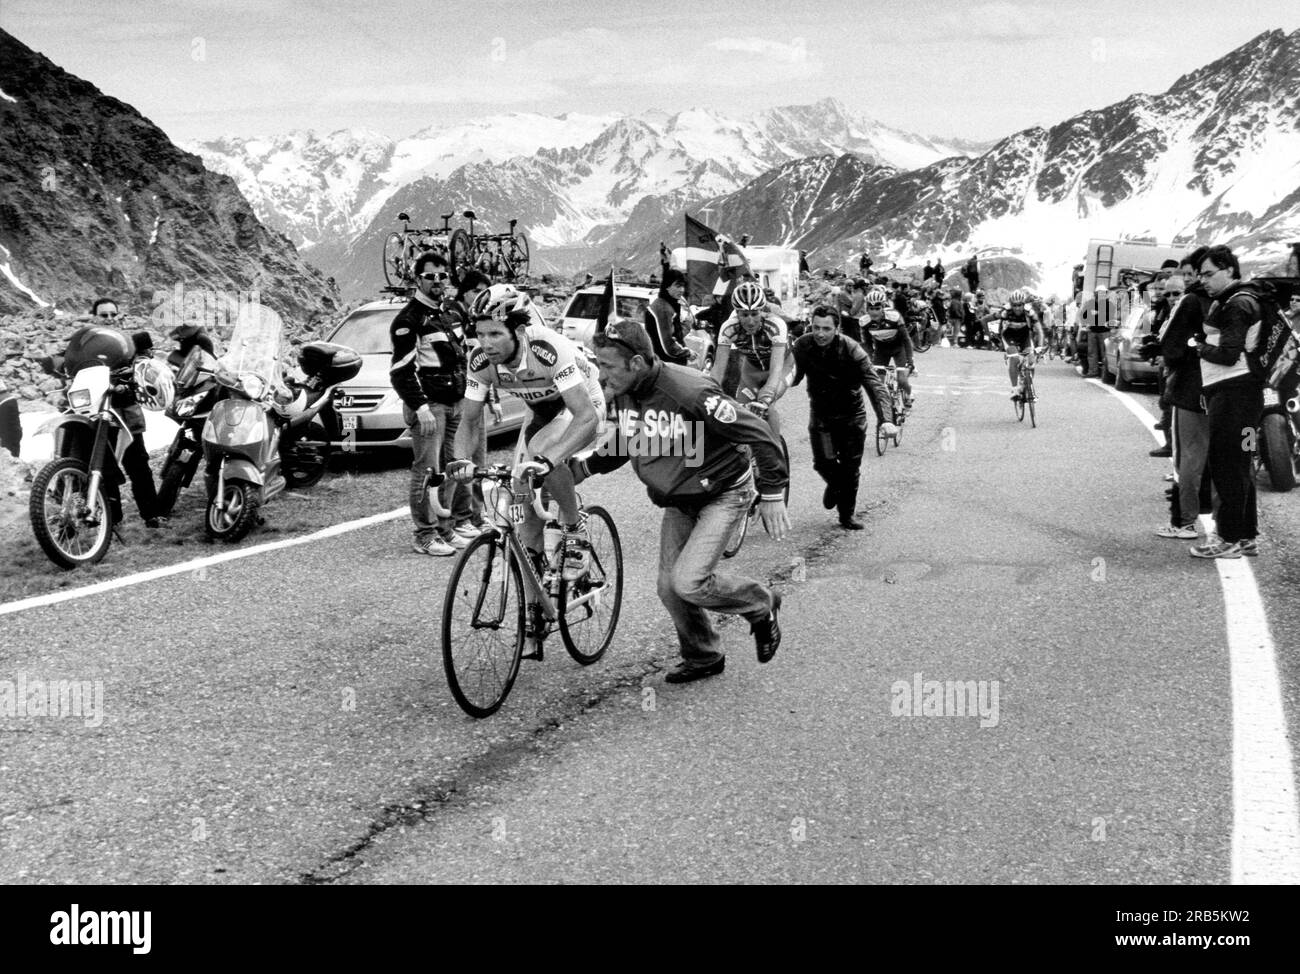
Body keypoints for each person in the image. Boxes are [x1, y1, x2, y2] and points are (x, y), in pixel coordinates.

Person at [571, 317, 788, 684]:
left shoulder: (689, 391)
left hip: (723, 492)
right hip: (679, 498)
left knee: (688, 582)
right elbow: (630, 440)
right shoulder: (628, 391)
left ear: (635, 363)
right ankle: (704, 655)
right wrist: (583, 469)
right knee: (669, 588)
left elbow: (759, 432)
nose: (601, 375)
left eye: (606, 365)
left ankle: (760, 603)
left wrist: (772, 493)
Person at [449, 286, 606, 589]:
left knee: (541, 451)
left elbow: (585, 416)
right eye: (480, 334)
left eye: (495, 334)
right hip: (540, 412)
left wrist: (550, 461)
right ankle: (534, 619)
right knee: (522, 503)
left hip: (583, 407)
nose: (485, 344)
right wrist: (460, 461)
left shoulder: (548, 350)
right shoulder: (480, 361)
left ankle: (575, 529)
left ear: (519, 330)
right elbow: (468, 421)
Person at [390, 253, 469, 556]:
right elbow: (400, 371)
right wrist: (420, 407)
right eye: (430, 276)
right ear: (418, 279)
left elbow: (460, 359)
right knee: (427, 470)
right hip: (430, 406)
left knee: (451, 469)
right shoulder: (409, 320)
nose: (437, 282)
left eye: (442, 276)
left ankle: (444, 529)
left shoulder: (447, 314)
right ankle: (424, 534)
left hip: (454, 402)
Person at [791, 306, 898, 529]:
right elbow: (792, 376)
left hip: (852, 416)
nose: (820, 333)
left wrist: (886, 419)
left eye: (827, 329)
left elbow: (874, 385)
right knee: (823, 463)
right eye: (816, 327)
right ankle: (835, 485)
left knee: (850, 469)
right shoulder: (803, 345)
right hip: (821, 415)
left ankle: (846, 515)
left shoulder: (852, 349)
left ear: (837, 329)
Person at [1190, 245, 1263, 559]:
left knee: (1227, 466)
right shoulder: (1251, 299)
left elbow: (1228, 354)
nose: (1204, 280)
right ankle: (1246, 536)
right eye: (1201, 275)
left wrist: (1198, 346)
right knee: (1242, 464)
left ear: (1229, 270)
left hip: (1232, 398)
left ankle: (1228, 539)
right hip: (1249, 399)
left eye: (1209, 273)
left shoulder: (1235, 304)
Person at [1150, 266, 1211, 540]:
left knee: (1187, 457)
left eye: (1179, 291)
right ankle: (1237, 531)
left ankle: (1184, 522)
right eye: (1169, 293)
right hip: (1217, 389)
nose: (1174, 296)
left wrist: (1164, 355)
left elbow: (1173, 350)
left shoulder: (1190, 304)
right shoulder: (1219, 302)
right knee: (1221, 457)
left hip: (1189, 390)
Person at [709, 280, 794, 437]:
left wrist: (766, 397)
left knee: (767, 406)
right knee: (740, 410)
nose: (750, 321)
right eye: (744, 314)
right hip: (752, 370)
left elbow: (776, 370)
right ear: (737, 313)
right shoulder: (729, 328)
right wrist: (707, 396)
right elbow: (718, 369)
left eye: (754, 314)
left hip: (783, 367)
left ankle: (776, 453)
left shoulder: (775, 325)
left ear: (761, 311)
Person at [861, 286, 915, 407]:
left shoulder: (894, 317)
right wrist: (869, 360)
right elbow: (868, 344)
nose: (874, 312)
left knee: (901, 380)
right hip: (881, 350)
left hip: (898, 348)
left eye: (877, 308)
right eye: (871, 308)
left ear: (883, 307)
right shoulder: (864, 322)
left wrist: (910, 361)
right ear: (867, 308)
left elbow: (906, 340)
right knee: (879, 383)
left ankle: (909, 392)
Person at [999, 290, 1045, 399]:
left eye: (1019, 305)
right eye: (1014, 305)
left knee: (1031, 360)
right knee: (1014, 358)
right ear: (1011, 304)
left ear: (1023, 304)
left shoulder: (1030, 312)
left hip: (1024, 336)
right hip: (1009, 336)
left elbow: (1040, 331)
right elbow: (1000, 328)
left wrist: (1040, 346)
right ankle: (1015, 389)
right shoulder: (1006, 312)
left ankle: (1027, 386)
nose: (1017, 308)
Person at [645, 269, 694, 366]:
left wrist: (686, 325)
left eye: (683, 286)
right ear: (667, 286)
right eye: (678, 286)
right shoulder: (663, 308)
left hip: (667, 365)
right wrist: (687, 353)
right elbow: (668, 345)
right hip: (666, 367)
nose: (682, 290)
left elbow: (674, 335)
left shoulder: (669, 305)